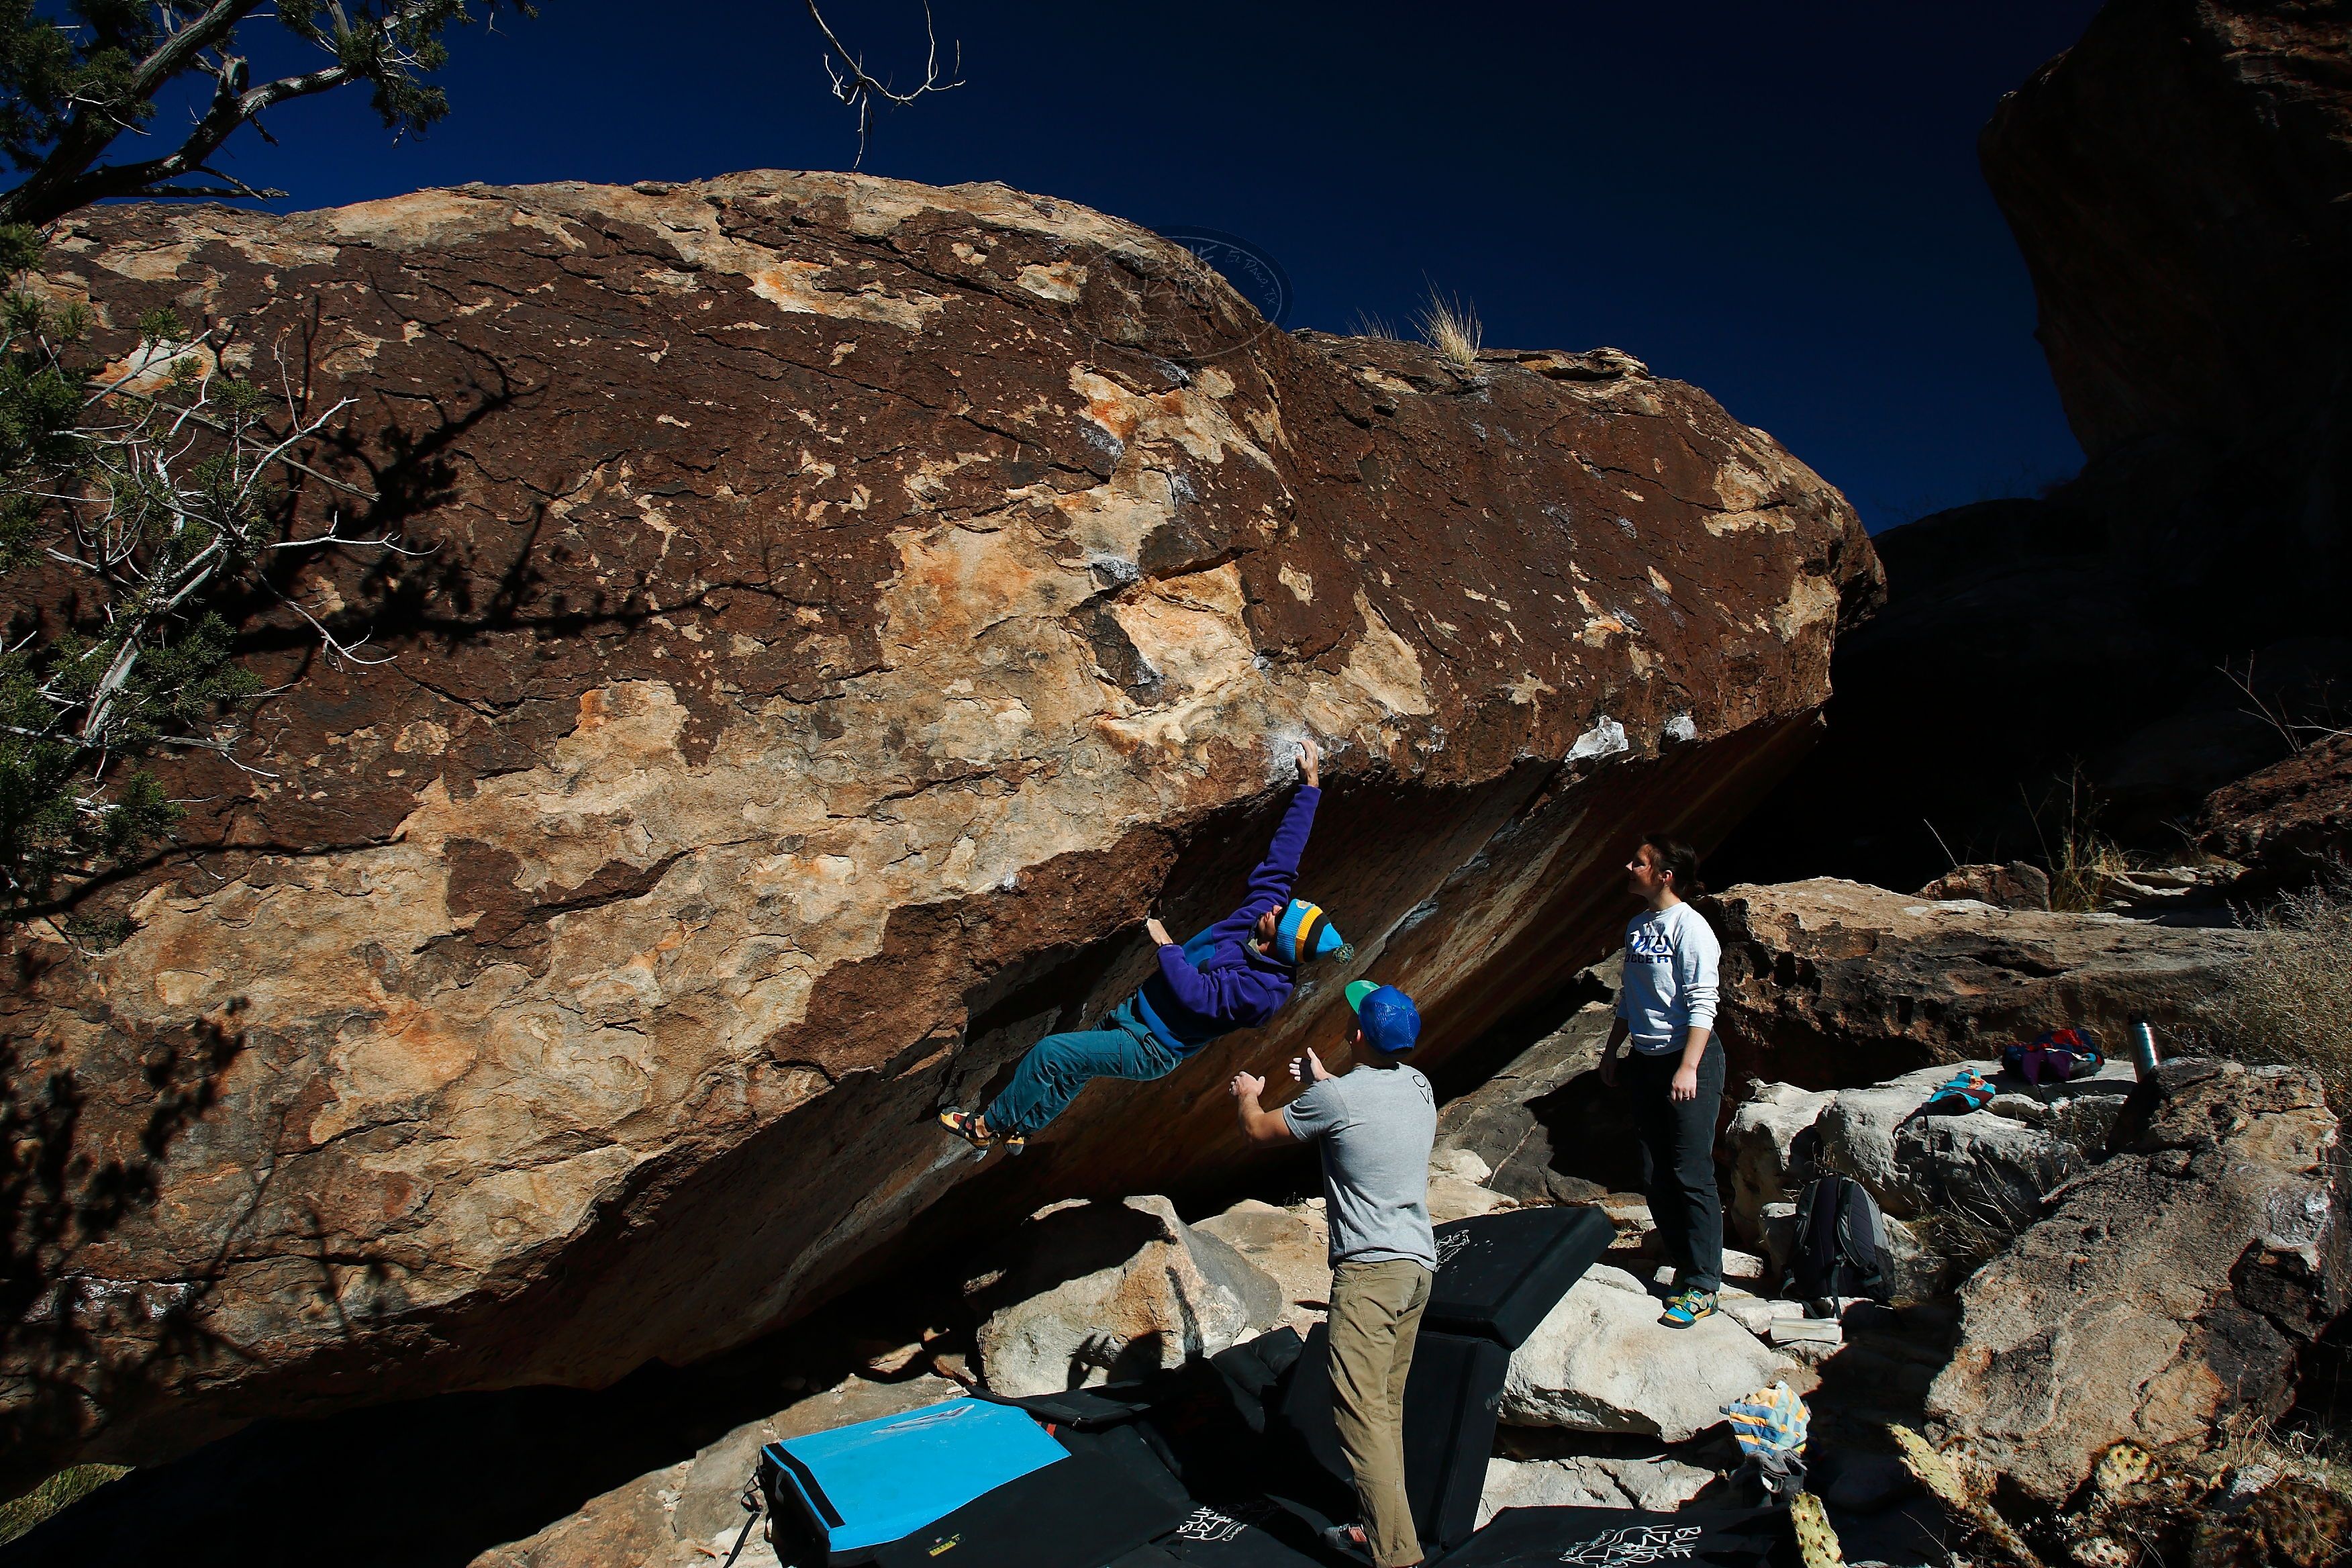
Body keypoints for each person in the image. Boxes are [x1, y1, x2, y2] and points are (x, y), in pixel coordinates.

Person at [939, 734, 1351, 1154]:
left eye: (1280, 919)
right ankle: (1023, 1127)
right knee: (1074, 1069)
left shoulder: (1263, 993)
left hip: (1150, 1046)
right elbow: (1284, 859)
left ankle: (987, 1128)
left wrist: (1167, 946)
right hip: (1137, 1011)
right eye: (1281, 909)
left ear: (1279, 944)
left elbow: (1196, 995)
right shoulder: (1261, 918)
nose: (1274, 910)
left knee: (1052, 1055)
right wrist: (1310, 788)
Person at [1230, 981, 1432, 1568]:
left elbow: (1259, 1131)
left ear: (1359, 1035)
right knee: (1384, 1409)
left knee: (1358, 1410)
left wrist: (1250, 1093)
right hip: (1417, 1270)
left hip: (1369, 1275)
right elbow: (1366, 1121)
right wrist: (1324, 1082)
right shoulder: (1420, 1086)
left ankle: (1400, 1557)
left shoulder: (1340, 1098)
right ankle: (1381, 1526)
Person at [1598, 834, 1725, 1329]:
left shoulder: (1690, 928)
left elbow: (1702, 1002)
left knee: (1691, 1171)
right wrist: (1612, 1051)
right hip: (1645, 1059)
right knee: (1654, 1172)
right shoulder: (1638, 926)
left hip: (1687, 1060)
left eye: (1640, 862)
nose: (1629, 866)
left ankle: (1703, 1283)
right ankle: (1679, 1254)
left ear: (1664, 876)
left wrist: (1689, 1067)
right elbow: (1630, 998)